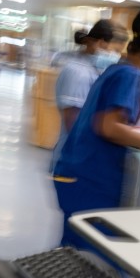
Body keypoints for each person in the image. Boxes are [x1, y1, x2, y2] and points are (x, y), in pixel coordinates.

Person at [52, 4, 140, 248]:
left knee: (74, 248)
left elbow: (119, 111)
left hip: (76, 172)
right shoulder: (130, 75)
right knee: (88, 254)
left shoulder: (118, 69)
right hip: (89, 179)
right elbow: (109, 127)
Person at [51, 20, 124, 171]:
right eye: (114, 50)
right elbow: (73, 124)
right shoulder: (78, 73)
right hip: (72, 159)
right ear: (100, 43)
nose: (115, 56)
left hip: (83, 157)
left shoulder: (94, 69)